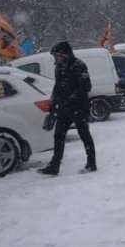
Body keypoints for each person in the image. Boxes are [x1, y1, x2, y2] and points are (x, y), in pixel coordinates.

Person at [38, 41, 97, 175]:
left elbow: (86, 87)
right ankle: (54, 166)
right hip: (64, 109)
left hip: (79, 108)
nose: (55, 59)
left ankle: (91, 163)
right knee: (58, 135)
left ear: (65, 55)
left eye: (57, 56)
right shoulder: (58, 67)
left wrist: (71, 98)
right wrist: (52, 102)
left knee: (84, 135)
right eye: (54, 56)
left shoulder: (79, 65)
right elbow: (57, 86)